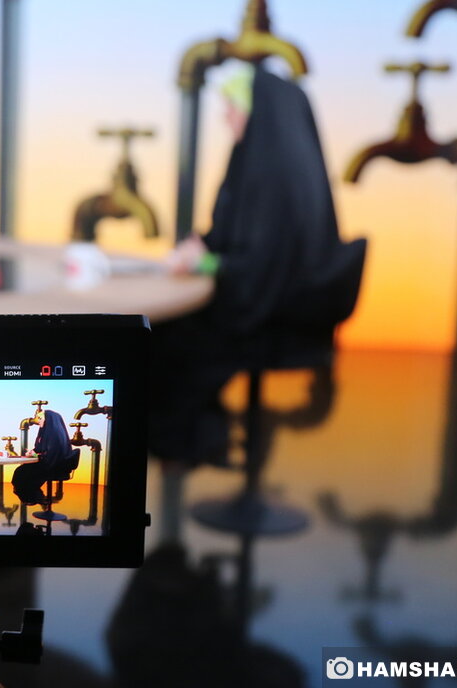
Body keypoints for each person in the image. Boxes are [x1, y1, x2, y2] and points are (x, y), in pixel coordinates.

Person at [149, 66, 365, 464]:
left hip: (273, 316)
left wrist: (207, 262)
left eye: (232, 106)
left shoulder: (275, 175)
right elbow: (234, 236)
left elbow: (263, 268)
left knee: (163, 342)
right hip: (258, 301)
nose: (226, 116)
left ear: (258, 111)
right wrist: (204, 246)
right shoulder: (257, 160)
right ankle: (196, 436)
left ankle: (185, 444)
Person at [11, 408, 79, 505]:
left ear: (49, 420)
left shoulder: (54, 435)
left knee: (21, 473)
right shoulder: (52, 432)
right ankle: (35, 496)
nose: (37, 421)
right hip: (52, 464)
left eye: (40, 418)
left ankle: (32, 498)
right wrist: (33, 452)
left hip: (53, 466)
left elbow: (50, 455)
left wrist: (36, 455)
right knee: (22, 471)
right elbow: (42, 449)